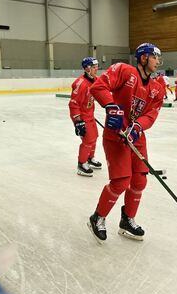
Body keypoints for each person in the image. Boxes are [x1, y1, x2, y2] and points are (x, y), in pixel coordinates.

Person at [87, 43, 164, 242]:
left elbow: (151, 113)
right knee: (121, 181)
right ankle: (98, 217)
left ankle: (127, 220)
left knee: (140, 180)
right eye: (155, 56)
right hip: (116, 135)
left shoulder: (157, 87)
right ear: (144, 57)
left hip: (137, 137)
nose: (158, 61)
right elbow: (99, 86)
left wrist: (139, 126)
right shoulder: (124, 71)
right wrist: (111, 106)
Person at [68, 57, 101, 177]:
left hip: (90, 114)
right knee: (88, 139)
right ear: (87, 69)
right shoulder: (80, 84)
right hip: (81, 116)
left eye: (96, 66)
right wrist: (78, 122)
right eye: (94, 67)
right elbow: (73, 104)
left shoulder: (95, 80)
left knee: (95, 137)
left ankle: (90, 158)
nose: (96, 69)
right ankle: (81, 164)